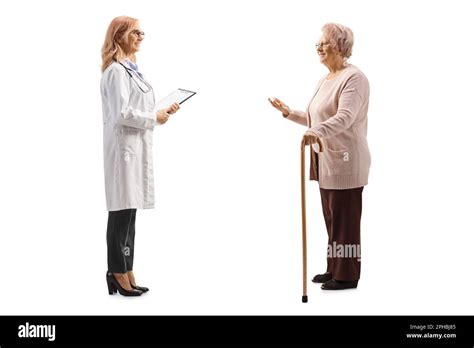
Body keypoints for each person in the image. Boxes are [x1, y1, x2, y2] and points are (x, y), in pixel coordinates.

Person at [269, 23, 371, 290]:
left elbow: (345, 117)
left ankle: (347, 276)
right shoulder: (326, 79)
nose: (318, 47)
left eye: (324, 42)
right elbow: (318, 118)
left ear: (339, 45)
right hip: (325, 160)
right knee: (332, 218)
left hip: (346, 160)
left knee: (345, 221)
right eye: (318, 43)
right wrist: (289, 112)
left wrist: (317, 130)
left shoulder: (354, 78)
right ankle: (334, 267)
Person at [100, 16, 180, 296]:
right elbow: (122, 113)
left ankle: (127, 267)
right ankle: (116, 271)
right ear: (119, 36)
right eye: (135, 32)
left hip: (133, 149)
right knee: (121, 212)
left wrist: (160, 113)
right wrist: (153, 117)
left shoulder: (131, 71)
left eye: (142, 32)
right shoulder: (115, 72)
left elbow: (136, 109)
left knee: (130, 213)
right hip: (123, 153)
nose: (141, 36)